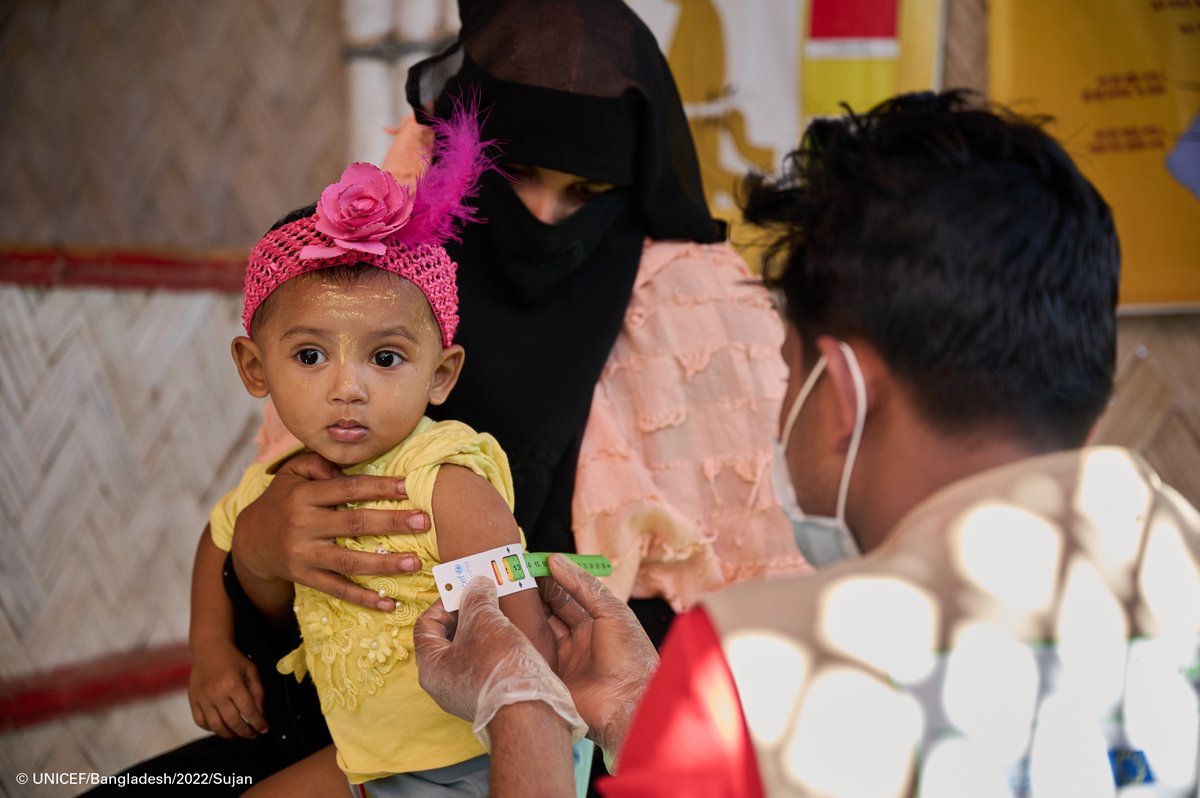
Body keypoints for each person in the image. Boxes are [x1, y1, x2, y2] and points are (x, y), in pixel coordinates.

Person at [411, 91, 1200, 796]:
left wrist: (518, 704)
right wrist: (632, 714)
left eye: (785, 372)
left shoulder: (761, 666)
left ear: (843, 392)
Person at [236, 0, 809, 650]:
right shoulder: (375, 285)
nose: (543, 216)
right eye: (514, 173)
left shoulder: (692, 307)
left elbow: (744, 610)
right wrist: (258, 554)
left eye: (587, 193)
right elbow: (279, 617)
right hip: (363, 717)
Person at [199, 104, 563, 797]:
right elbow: (217, 543)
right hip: (363, 760)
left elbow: (522, 634)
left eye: (386, 358)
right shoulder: (278, 483)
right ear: (254, 369)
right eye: (310, 355)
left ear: (441, 375)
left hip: (467, 764)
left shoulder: (443, 482)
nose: (348, 388)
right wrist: (211, 650)